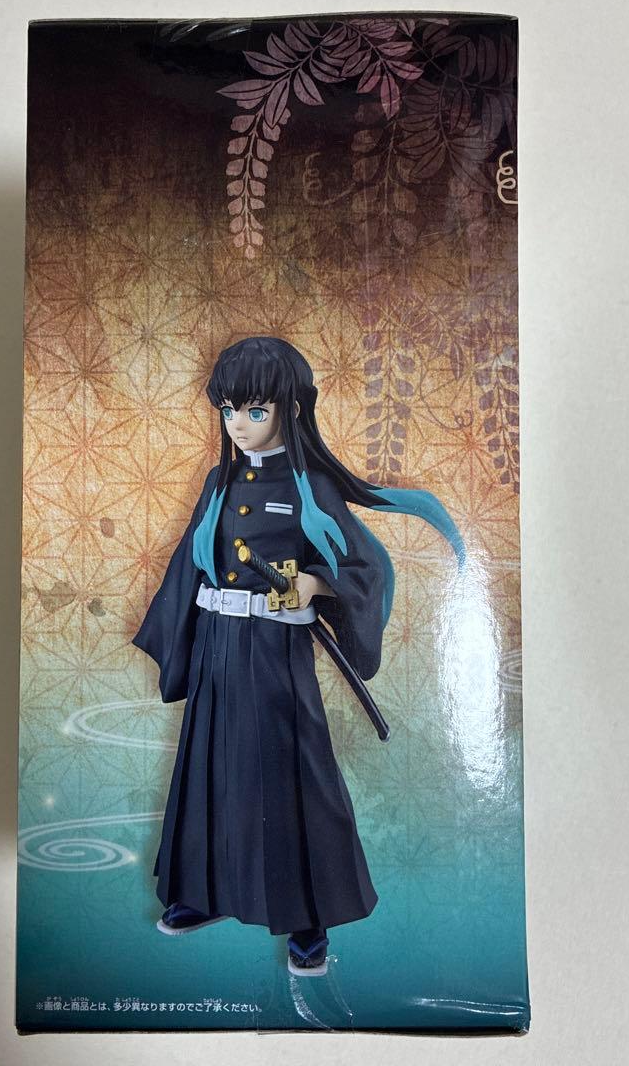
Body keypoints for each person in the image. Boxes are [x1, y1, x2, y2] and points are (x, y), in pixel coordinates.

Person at [132, 336, 464, 977]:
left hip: (275, 651)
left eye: (254, 410)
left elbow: (362, 566)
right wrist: (177, 639)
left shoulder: (311, 486)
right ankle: (204, 889)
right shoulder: (220, 480)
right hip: (217, 648)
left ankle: (309, 917)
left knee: (292, 775)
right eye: (230, 409)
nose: (239, 424)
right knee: (211, 767)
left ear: (289, 408)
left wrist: (316, 582)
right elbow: (188, 562)